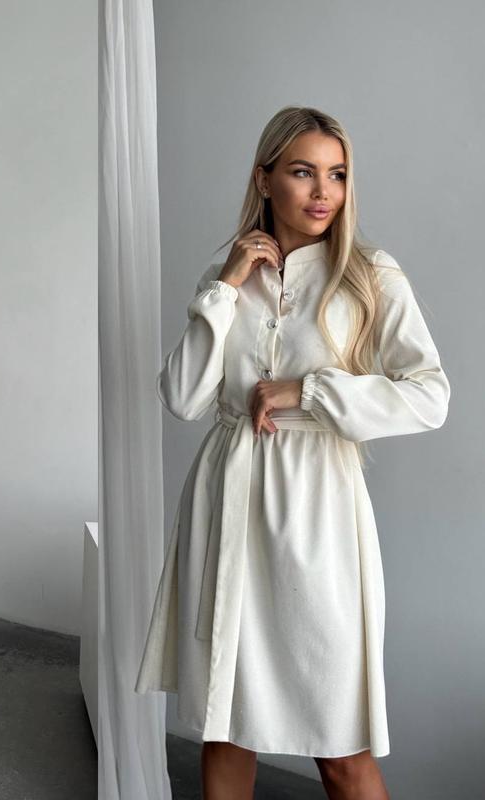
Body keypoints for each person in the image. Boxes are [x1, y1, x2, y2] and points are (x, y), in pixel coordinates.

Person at [135, 106, 450, 799]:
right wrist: (224, 288)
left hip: (317, 516)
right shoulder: (226, 277)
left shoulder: (369, 275)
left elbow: (430, 396)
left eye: (337, 175)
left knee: (340, 746)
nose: (322, 192)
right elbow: (183, 398)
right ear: (264, 178)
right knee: (225, 728)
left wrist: (310, 391)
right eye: (304, 172)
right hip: (227, 504)